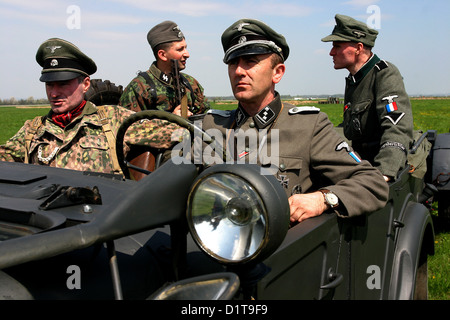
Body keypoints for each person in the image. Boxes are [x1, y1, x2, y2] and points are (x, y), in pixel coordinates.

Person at [201, 18, 389, 224]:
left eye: (250, 62)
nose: (238, 71)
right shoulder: (211, 126)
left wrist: (323, 199)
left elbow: (373, 183)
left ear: (277, 72)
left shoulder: (308, 126)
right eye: (233, 63)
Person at [0, 38, 184, 177]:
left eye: (63, 84)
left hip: (101, 221)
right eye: (50, 85)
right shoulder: (32, 131)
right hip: (47, 222)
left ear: (85, 84)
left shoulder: (115, 120)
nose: (54, 93)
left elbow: (179, 133)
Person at [321, 14, 414, 182]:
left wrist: (384, 171)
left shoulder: (384, 73)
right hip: (361, 162)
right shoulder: (355, 79)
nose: (331, 52)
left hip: (378, 164)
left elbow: (397, 126)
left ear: (358, 48)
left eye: (337, 46)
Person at [119, 20, 209, 117]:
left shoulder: (191, 83)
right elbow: (129, 128)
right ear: (162, 55)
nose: (187, 54)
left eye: (186, 48)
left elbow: (206, 117)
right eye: (180, 49)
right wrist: (171, 120)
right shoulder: (140, 88)